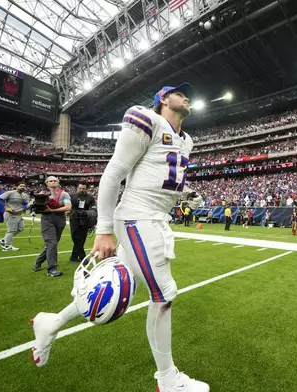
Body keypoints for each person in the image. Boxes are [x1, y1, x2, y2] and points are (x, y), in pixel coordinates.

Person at [29, 83, 208, 392]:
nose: (186, 96)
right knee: (164, 296)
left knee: (122, 280)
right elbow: (114, 173)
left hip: (156, 219)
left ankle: (52, 322)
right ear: (162, 98)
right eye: (179, 92)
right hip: (138, 217)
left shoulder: (187, 140)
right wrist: (104, 229)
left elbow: (166, 178)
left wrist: (187, 192)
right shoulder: (146, 120)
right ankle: (168, 380)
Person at [32, 176, 72, 277]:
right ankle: (52, 269)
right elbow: (31, 205)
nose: (53, 182)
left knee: (52, 244)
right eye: (51, 181)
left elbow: (68, 207)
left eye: (55, 180)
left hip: (60, 219)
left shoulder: (64, 194)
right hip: (47, 219)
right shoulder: (42, 194)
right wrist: (35, 206)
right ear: (47, 184)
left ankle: (38, 261)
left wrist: (53, 210)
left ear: (58, 182)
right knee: (52, 243)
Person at [0, 181, 30, 251]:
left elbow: (25, 205)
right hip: (10, 214)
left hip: (18, 214)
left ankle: (3, 240)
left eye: (24, 186)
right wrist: (6, 207)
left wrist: (21, 209)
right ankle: (7, 246)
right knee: (11, 230)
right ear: (17, 187)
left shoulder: (25, 196)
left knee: (21, 228)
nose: (22, 187)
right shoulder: (10, 193)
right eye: (21, 186)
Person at [69, 182, 97, 262]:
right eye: (80, 188)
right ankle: (82, 256)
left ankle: (74, 257)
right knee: (76, 238)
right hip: (74, 220)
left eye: (83, 188)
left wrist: (89, 213)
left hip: (85, 220)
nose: (81, 190)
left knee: (82, 239)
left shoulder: (90, 198)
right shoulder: (72, 196)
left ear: (87, 188)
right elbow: (68, 206)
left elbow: (94, 208)